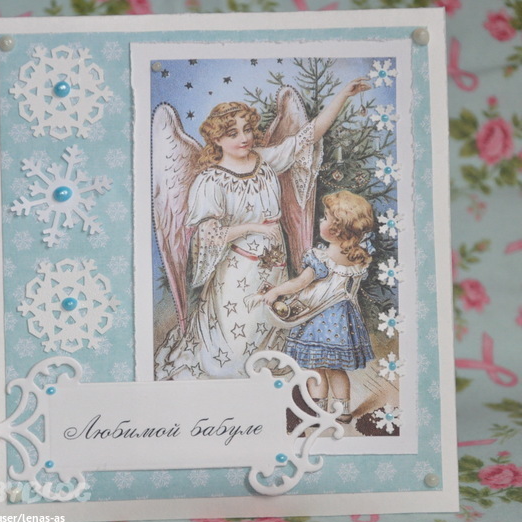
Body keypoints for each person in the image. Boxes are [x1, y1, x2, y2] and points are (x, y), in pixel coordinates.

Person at [155, 79, 370, 380]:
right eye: (233, 133)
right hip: (237, 271)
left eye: (247, 129)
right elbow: (208, 236)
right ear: (216, 139)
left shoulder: (265, 159)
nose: (244, 138)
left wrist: (343, 94)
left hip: (274, 265)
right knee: (233, 350)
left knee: (271, 326)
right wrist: (252, 227)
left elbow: (309, 135)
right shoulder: (210, 181)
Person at [263, 191, 376, 423]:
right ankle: (343, 411)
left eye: (325, 218)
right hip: (343, 323)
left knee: (315, 369)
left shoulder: (321, 259)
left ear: (336, 230)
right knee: (336, 369)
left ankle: (317, 411)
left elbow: (299, 283)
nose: (320, 221)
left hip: (318, 322)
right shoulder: (356, 258)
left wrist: (276, 291)